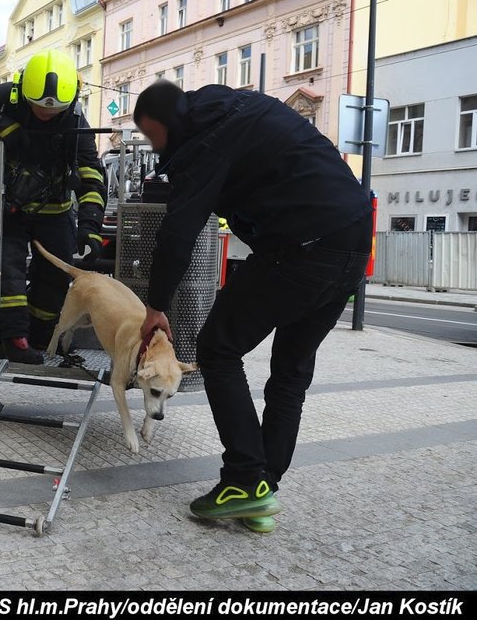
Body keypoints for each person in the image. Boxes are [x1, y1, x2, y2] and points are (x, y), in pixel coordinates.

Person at [132, 80, 372, 534]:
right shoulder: (239, 108)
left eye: (150, 134)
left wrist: (156, 304)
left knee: (218, 348)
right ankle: (263, 491)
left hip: (303, 245)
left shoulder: (205, 142)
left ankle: (245, 478)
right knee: (291, 372)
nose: (151, 144)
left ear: (164, 123)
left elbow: (179, 232)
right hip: (354, 241)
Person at [0, 50, 108, 364]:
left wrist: (90, 228)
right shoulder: (7, 97)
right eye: (36, 107)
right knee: (7, 270)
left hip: (55, 211)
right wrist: (0, 123)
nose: (44, 114)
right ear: (25, 91)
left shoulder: (77, 120)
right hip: (5, 206)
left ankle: (39, 335)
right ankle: (14, 339)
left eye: (53, 110)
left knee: (56, 274)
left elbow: (91, 176)